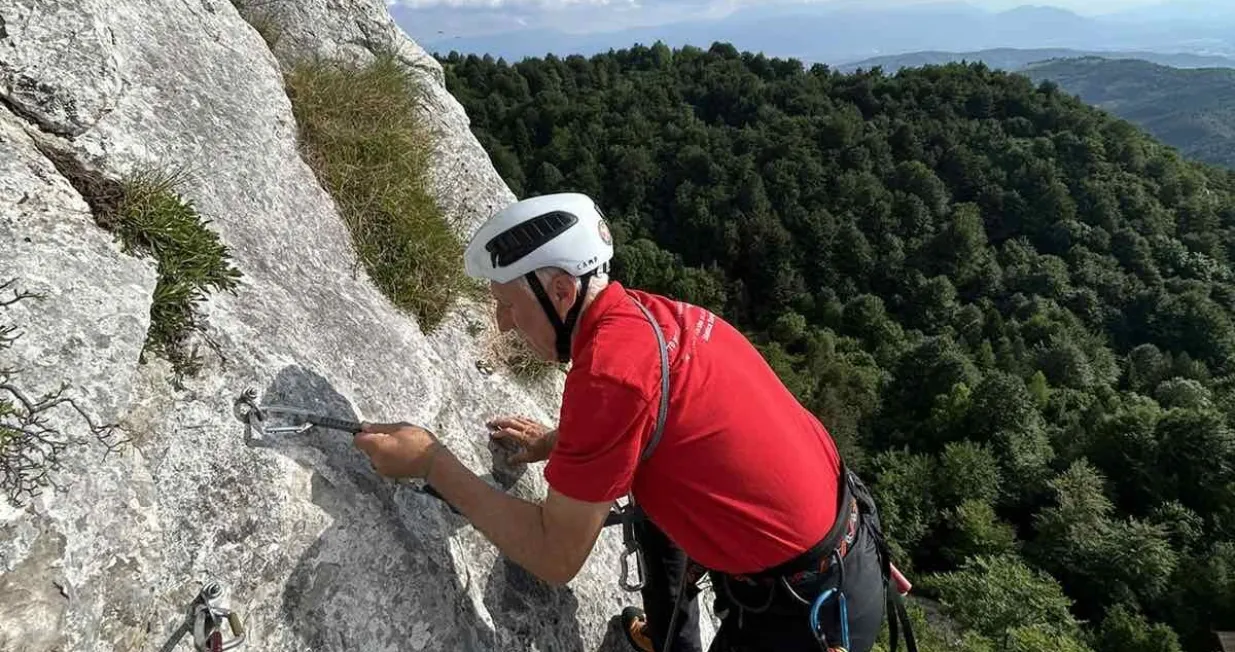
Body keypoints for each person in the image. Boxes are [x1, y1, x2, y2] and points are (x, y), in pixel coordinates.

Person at [351, 192, 916, 652]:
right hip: (843, 545)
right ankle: (673, 638)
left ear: (562, 292)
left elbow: (555, 556)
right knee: (652, 504)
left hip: (800, 613)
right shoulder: (654, 315)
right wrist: (560, 440)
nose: (502, 324)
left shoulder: (610, 376)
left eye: (506, 303)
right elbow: (675, 420)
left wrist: (432, 462)